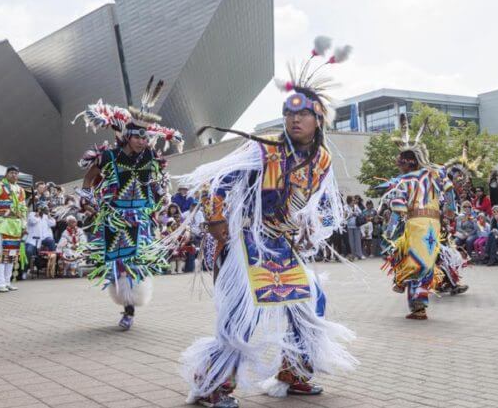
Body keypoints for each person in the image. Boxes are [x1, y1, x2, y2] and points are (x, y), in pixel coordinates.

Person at [179, 38, 356, 406]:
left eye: (303, 114)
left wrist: (308, 225)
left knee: (310, 302)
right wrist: (215, 222)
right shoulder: (264, 148)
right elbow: (215, 182)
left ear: (318, 118)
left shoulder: (321, 159)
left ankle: (294, 373)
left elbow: (314, 202)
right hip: (247, 243)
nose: (294, 119)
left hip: (282, 243)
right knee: (241, 314)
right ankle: (213, 382)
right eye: (290, 114)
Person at [74, 77, 184, 330]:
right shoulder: (109, 156)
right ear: (128, 136)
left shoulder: (151, 157)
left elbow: (158, 183)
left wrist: (160, 195)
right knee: (120, 262)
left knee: (137, 262)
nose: (143, 141)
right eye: (138, 137)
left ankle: (131, 308)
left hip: (142, 218)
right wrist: (87, 201)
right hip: (116, 217)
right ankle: (128, 308)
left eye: (146, 138)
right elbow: (89, 178)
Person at [382, 113, 458, 320]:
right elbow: (450, 189)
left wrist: (389, 231)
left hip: (416, 225)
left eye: (400, 163)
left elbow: (398, 210)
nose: (399, 167)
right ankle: (418, 303)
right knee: (425, 262)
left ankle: (417, 304)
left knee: (414, 262)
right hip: (434, 224)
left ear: (409, 163)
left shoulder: (404, 180)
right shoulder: (435, 173)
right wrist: (450, 210)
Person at [23, 205, 56, 279]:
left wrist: (49, 216)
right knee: (28, 251)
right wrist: (37, 215)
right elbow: (32, 222)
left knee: (51, 241)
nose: (42, 211)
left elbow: (53, 224)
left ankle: (51, 265)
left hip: (43, 238)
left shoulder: (46, 216)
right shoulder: (32, 214)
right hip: (32, 239)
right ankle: (25, 271)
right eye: (41, 209)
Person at [344, 196, 364, 260]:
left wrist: (356, 213)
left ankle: (359, 254)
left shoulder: (356, 206)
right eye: (352, 200)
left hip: (356, 225)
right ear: (349, 201)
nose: (354, 201)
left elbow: (360, 213)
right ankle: (353, 255)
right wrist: (350, 214)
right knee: (351, 241)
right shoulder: (345, 207)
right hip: (349, 226)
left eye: (354, 200)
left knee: (358, 241)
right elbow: (344, 216)